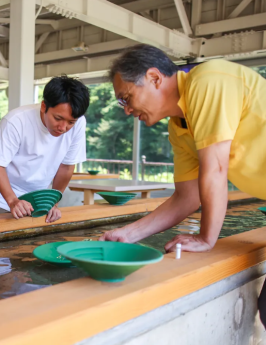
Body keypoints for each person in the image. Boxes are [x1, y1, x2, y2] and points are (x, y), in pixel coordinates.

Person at [99, 44, 266, 326]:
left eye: (126, 98)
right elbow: (186, 198)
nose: (127, 110)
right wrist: (127, 234)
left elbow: (216, 169)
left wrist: (205, 239)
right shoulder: (179, 128)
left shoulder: (208, 80)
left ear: (154, 78)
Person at [0, 76, 89, 223]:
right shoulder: (16, 121)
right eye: (58, 118)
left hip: (40, 200)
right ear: (44, 106)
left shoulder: (79, 124)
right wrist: (13, 201)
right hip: (1, 198)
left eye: (71, 122)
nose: (63, 128)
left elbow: (66, 167)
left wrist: (53, 202)